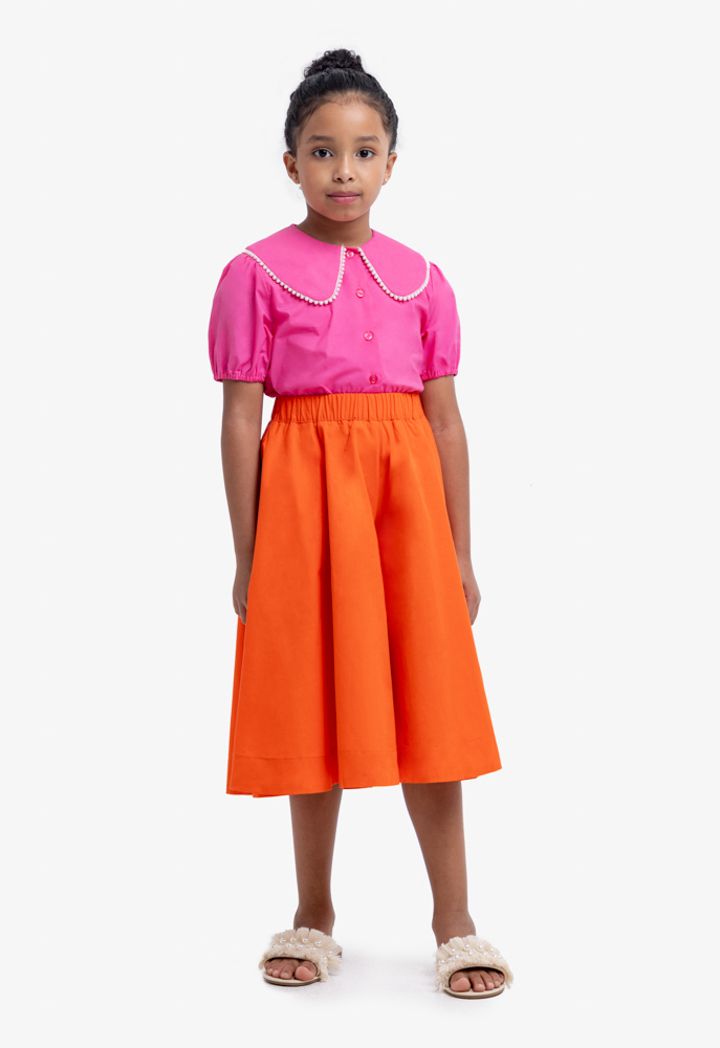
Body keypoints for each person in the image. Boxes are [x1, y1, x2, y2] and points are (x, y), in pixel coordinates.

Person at [208, 47, 514, 999]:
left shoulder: (423, 278)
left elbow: (446, 421)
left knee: (431, 700)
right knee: (311, 697)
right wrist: (249, 552)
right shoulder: (254, 273)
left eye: (364, 150)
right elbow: (241, 420)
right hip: (305, 504)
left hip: (405, 506)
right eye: (322, 150)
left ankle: (455, 920)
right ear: (290, 162)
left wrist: (461, 551)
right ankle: (314, 911)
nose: (343, 169)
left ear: (391, 163)